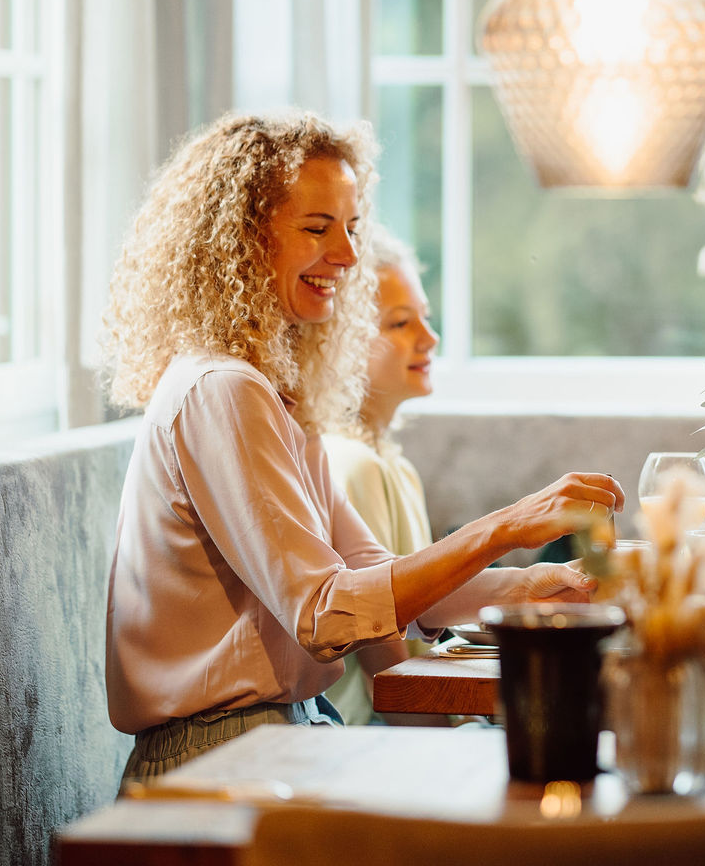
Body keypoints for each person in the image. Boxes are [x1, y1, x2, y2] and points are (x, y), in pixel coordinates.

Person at [99, 111, 623, 778]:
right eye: (317, 229)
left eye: (350, 227)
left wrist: (540, 588)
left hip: (283, 743)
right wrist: (505, 529)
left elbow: (377, 587)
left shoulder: (270, 397)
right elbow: (327, 614)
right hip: (217, 765)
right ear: (238, 239)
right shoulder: (221, 389)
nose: (347, 256)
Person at [320, 223, 440, 725]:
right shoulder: (353, 466)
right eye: (399, 324)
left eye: (425, 319)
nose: (429, 339)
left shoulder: (398, 469)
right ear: (342, 343)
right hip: (370, 740)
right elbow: (389, 675)